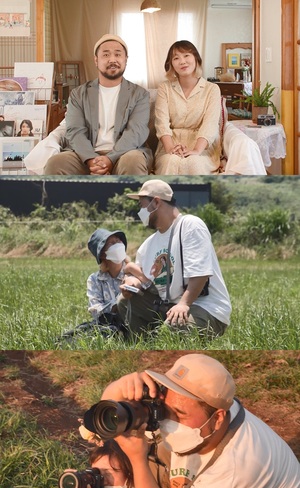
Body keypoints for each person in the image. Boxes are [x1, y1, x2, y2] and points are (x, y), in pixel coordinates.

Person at [97, 352, 300, 488]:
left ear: (218, 418)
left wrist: (137, 460)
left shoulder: (235, 469)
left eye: (179, 414)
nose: (168, 420)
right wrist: (114, 394)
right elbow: (95, 432)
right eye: (164, 408)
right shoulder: (211, 413)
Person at [117, 180, 231, 336]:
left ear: (156, 202)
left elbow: (201, 273)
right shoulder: (148, 244)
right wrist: (132, 283)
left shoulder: (190, 225)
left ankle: (162, 340)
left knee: (173, 329)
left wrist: (184, 304)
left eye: (142, 205)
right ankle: (143, 345)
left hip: (204, 306)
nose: (140, 211)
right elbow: (143, 277)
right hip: (169, 306)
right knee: (124, 301)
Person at [44, 34, 153, 176]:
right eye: (106, 55)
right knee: (56, 163)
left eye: (118, 54)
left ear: (126, 60)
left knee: (133, 160)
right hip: (84, 156)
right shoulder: (78, 94)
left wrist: (110, 159)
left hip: (124, 154)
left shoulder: (139, 95)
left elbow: (136, 132)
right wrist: (90, 159)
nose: (112, 59)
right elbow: (75, 131)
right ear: (96, 60)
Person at [154, 40, 222, 175]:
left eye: (186, 56)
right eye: (176, 58)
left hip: (202, 146)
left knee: (194, 162)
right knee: (171, 161)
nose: (182, 61)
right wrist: (170, 148)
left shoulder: (212, 89)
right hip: (170, 144)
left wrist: (197, 150)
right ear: (171, 64)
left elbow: (210, 124)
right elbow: (161, 122)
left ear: (196, 58)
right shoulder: (164, 88)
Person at [86, 227, 129, 330]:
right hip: (108, 326)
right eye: (112, 243)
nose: (118, 245)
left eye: (118, 241)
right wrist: (119, 302)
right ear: (102, 254)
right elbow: (95, 310)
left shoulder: (132, 272)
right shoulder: (95, 280)